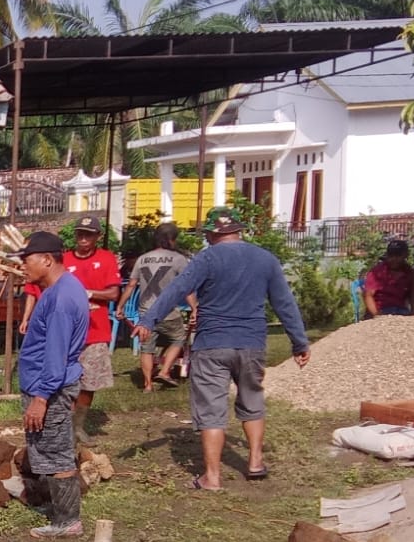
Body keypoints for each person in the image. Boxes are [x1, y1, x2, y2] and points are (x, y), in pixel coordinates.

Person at [136, 206, 311, 490]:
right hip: (252, 343)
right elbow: (285, 304)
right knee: (252, 399)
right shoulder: (265, 259)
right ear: (238, 230)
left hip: (212, 344)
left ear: (210, 233)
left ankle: (212, 477)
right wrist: (299, 342)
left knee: (211, 409)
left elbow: (176, 290)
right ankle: (255, 462)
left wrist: (148, 319)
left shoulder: (206, 259)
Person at [14, 232, 89, 539]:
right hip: (47, 383)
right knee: (50, 447)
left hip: (51, 387)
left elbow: (56, 356)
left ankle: (68, 521)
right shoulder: (60, 289)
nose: (23, 266)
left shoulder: (60, 300)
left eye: (26, 260)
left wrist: (41, 398)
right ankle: (59, 508)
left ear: (46, 259)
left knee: (57, 452)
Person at [19, 216, 120, 441]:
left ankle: (76, 425)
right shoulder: (62, 270)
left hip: (92, 332)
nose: (83, 238)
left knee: (88, 383)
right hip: (65, 336)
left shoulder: (102, 261)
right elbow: (33, 294)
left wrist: (41, 397)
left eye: (88, 234)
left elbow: (56, 354)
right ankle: (66, 426)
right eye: (80, 233)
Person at [117, 222, 193, 391]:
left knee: (147, 348)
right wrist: (194, 307)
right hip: (168, 312)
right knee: (179, 338)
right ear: (172, 239)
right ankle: (165, 371)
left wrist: (120, 306)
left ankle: (148, 384)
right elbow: (186, 287)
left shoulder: (142, 259)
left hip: (145, 312)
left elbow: (131, 285)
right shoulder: (179, 259)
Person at [362, 238, 414, 318]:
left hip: (401, 312)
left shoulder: (410, 273)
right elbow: (368, 295)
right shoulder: (377, 272)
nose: (394, 259)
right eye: (391, 255)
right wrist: (377, 315)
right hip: (381, 310)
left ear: (405, 256)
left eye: (398, 256)